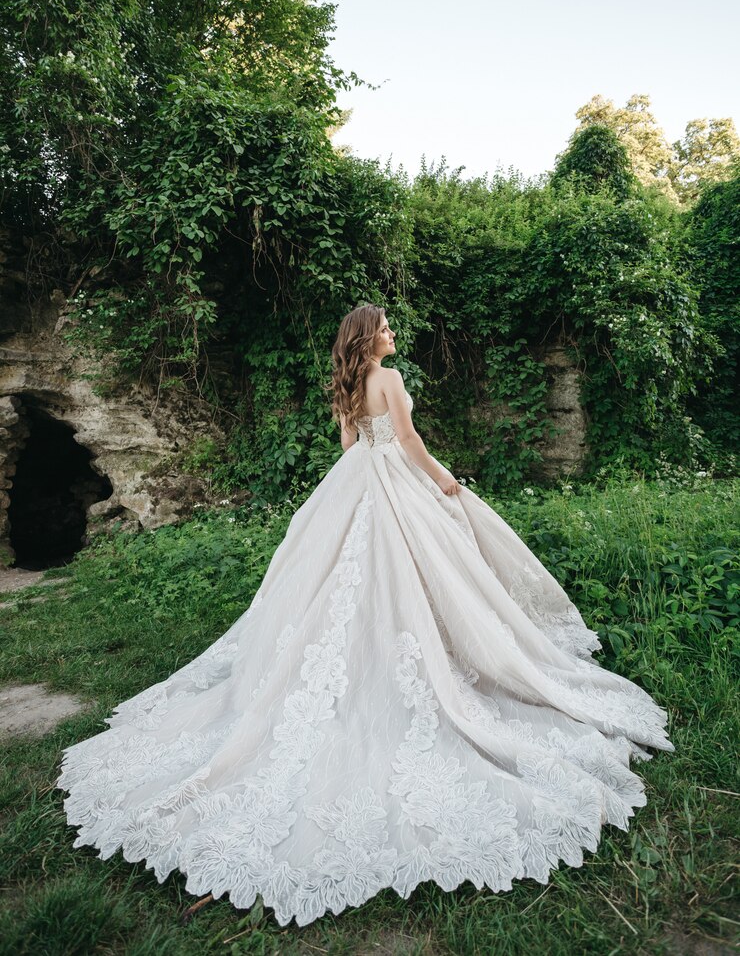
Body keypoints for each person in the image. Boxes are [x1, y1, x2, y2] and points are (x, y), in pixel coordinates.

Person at [56, 303, 674, 928]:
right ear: (370, 339)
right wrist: (443, 482)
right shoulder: (391, 378)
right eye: (385, 326)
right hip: (397, 487)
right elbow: (405, 441)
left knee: (340, 587)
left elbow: (353, 445)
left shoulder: (351, 386)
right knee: (425, 576)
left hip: (355, 489)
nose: (393, 333)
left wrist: (379, 465)